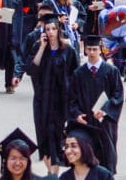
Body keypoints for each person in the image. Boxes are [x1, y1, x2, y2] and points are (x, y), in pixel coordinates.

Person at [27, 15, 79, 176]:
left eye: (53, 29)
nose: (50, 32)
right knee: (43, 138)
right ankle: (50, 173)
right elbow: (31, 70)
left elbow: (75, 74)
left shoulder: (68, 50)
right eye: (47, 29)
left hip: (61, 101)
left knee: (57, 137)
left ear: (58, 30)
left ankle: (54, 174)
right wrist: (42, 47)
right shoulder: (38, 47)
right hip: (42, 100)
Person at [68, 35, 124, 174]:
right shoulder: (78, 73)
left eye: (95, 49)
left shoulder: (111, 71)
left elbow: (118, 95)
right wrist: (77, 114)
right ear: (85, 51)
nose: (92, 52)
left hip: (105, 121)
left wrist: (105, 110)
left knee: (107, 153)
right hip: (86, 122)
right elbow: (71, 99)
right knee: (87, 154)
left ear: (100, 50)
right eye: (89, 49)